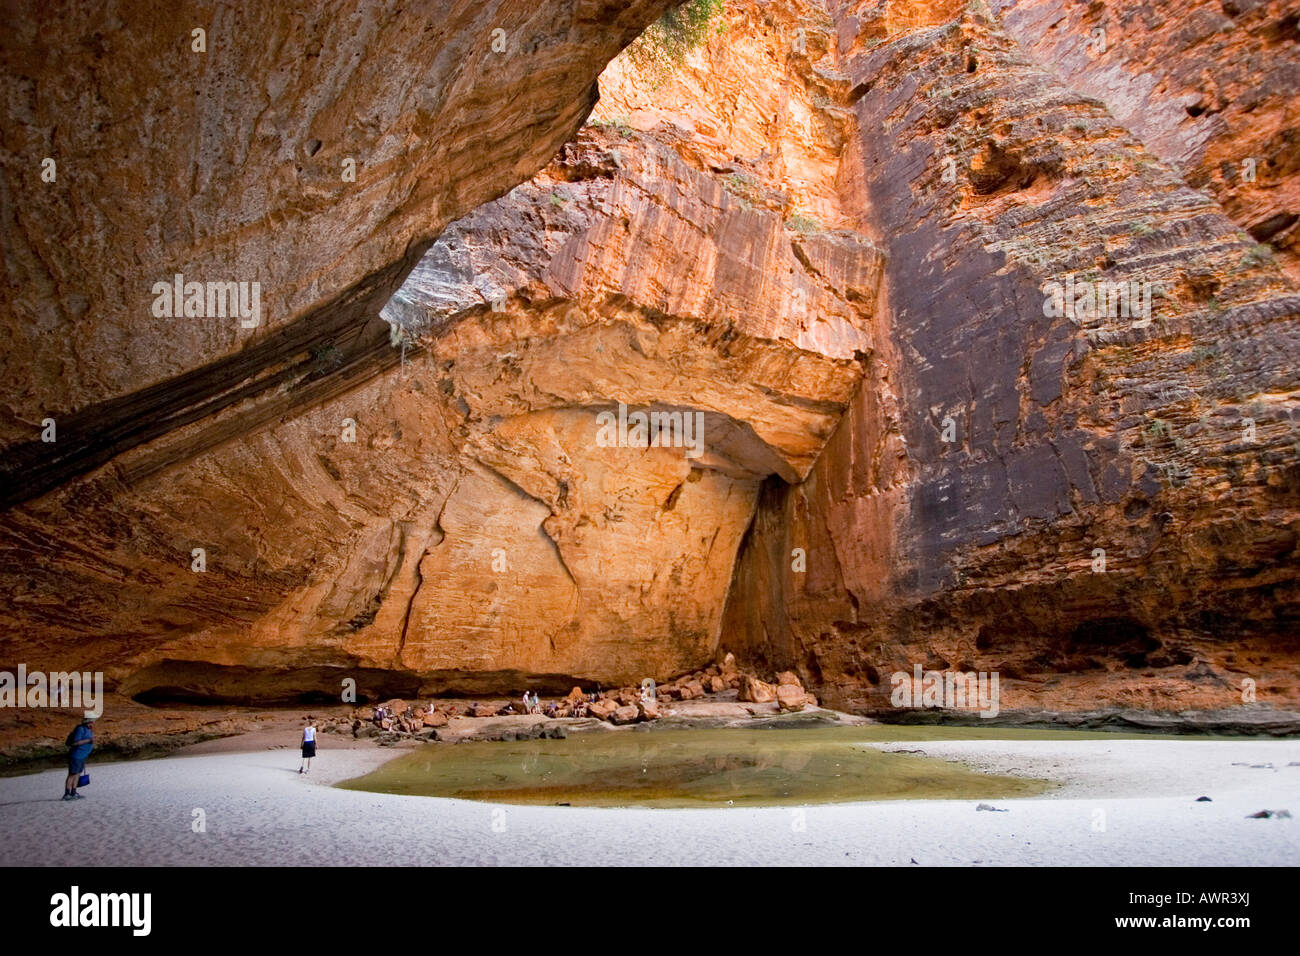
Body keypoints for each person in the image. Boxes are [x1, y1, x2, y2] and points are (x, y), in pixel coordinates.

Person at [63, 714, 95, 801]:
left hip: (83, 755)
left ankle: (74, 792)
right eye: (91, 721)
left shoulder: (89, 730)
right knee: (72, 774)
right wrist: (88, 740)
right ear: (87, 721)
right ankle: (67, 794)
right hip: (76, 755)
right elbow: (75, 742)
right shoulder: (80, 729)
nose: (93, 723)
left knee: (77, 774)